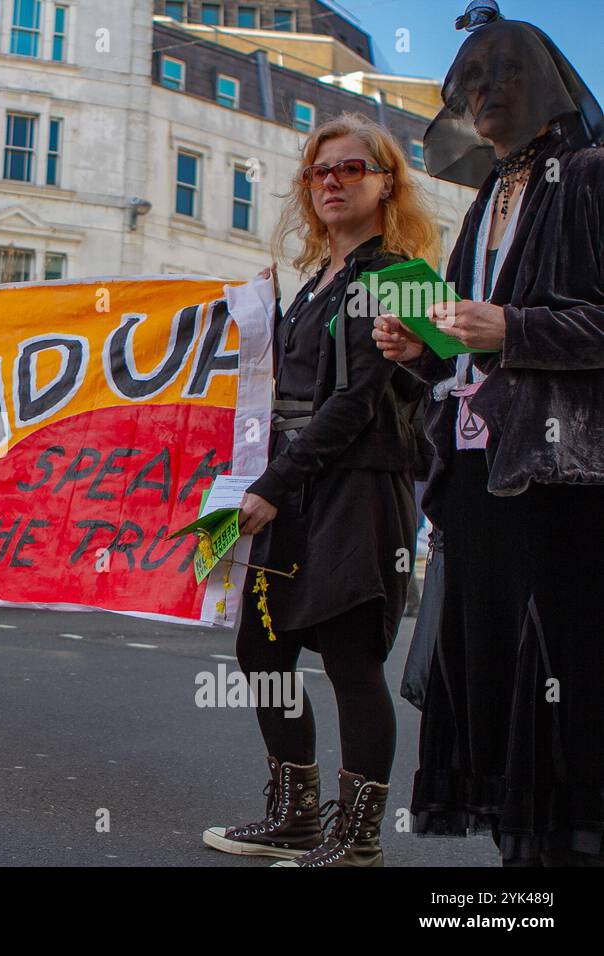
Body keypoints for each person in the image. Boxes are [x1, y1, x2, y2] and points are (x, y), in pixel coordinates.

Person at [375, 7, 604, 867]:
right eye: (469, 82)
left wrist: (513, 327)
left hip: (565, 485)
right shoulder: (483, 206)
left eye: (501, 76)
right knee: (502, 695)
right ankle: (523, 875)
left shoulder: (589, 177)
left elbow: (551, 330)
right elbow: (469, 360)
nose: (483, 94)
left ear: (546, 87)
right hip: (480, 482)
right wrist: (421, 354)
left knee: (561, 694)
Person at [201, 113, 438, 867]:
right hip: (288, 488)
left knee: (349, 662)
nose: (331, 182)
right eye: (318, 172)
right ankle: (294, 816)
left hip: (354, 492)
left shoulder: (396, 278)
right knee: (261, 651)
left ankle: (356, 836)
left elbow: (357, 401)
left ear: (385, 182)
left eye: (350, 170)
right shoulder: (309, 287)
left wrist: (271, 485)